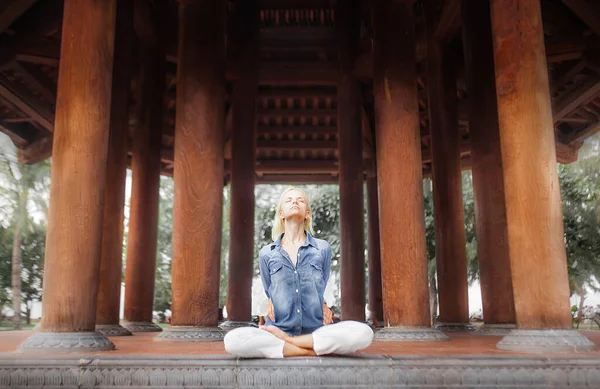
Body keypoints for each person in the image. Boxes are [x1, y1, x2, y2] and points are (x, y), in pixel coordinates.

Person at [224, 187, 373, 358]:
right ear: (281, 214)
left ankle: (288, 344)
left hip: (315, 331)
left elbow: (321, 285)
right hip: (277, 329)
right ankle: (314, 350)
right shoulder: (267, 253)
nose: (294, 202)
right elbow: (269, 289)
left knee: (364, 333)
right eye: (289, 200)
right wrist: (272, 301)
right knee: (232, 340)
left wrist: (322, 304)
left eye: (300, 200)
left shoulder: (322, 248)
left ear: (307, 213)